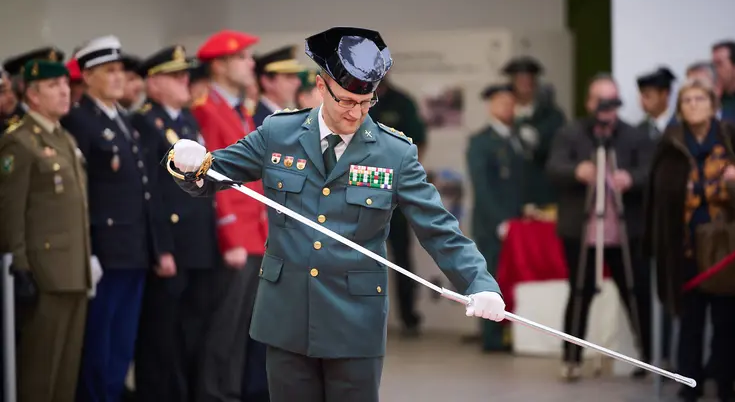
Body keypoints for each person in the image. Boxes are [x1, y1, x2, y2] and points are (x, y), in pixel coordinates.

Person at [168, 26, 505, 402]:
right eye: (345, 101)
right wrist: (186, 161)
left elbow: (439, 229)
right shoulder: (279, 133)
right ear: (320, 86)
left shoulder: (394, 153)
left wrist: (480, 284)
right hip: (287, 316)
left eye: (366, 102)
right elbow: (212, 174)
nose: (355, 113)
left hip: (354, 322)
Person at [645, 78, 735, 402]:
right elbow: (658, 193)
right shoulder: (671, 143)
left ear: (713, 105)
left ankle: (726, 385)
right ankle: (689, 383)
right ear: (680, 108)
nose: (694, 105)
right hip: (684, 245)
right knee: (689, 320)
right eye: (687, 100)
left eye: (700, 99)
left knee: (726, 321)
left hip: (725, 245)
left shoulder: (733, 139)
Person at [61, 35, 164, 402]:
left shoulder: (123, 120)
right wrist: (88, 250)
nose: (119, 77)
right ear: (87, 77)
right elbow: (81, 193)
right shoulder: (79, 121)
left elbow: (143, 191)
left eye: (121, 70)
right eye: (109, 71)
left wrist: (153, 246)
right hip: (105, 250)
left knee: (122, 340)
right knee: (99, 341)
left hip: (133, 248)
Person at [129, 45, 221, 402]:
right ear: (153, 84)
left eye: (185, 74)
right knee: (160, 338)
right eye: (175, 75)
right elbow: (151, 193)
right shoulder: (145, 123)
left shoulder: (186, 121)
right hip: (172, 245)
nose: (186, 80)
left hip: (197, 243)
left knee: (191, 333)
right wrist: (162, 248)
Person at [547, 74, 653, 380]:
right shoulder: (570, 133)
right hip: (581, 230)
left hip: (624, 231)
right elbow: (553, 167)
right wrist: (576, 170)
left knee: (636, 292)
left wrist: (631, 178)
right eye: (600, 100)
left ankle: (649, 357)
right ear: (588, 102)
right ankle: (571, 358)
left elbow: (650, 171)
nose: (606, 108)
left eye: (611, 101)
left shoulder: (634, 136)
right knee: (580, 292)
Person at [0, 59, 90, 402]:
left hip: (74, 271)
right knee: (39, 370)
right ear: (33, 95)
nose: (65, 91)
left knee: (66, 371)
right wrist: (20, 264)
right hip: (44, 272)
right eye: (54, 86)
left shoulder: (64, 138)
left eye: (66, 84)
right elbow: (11, 211)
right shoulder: (20, 141)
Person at [190, 29, 270, 402]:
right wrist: (231, 236)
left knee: (239, 329)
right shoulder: (207, 111)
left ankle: (229, 393)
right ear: (220, 66)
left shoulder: (238, 111)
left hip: (254, 233)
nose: (251, 64)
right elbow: (212, 180)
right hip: (235, 237)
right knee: (222, 328)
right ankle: (214, 395)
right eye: (242, 57)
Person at [467, 83, 526, 352]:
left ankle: (510, 334)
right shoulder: (481, 142)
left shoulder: (518, 138)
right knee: (490, 279)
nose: (507, 108)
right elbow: (482, 188)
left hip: (517, 223)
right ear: (491, 106)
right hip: (491, 224)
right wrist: (500, 221)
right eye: (502, 102)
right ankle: (491, 337)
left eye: (511, 103)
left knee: (513, 278)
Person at [367, 76, 428, 337]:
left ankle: (408, 317)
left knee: (402, 256)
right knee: (364, 257)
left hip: (394, 189)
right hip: (362, 187)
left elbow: (419, 142)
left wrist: (404, 174)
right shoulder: (356, 98)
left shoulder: (402, 102)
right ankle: (365, 317)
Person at [501, 56, 565, 210]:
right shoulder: (503, 115)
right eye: (519, 80)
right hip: (509, 195)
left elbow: (559, 152)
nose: (524, 85)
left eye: (528, 80)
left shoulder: (552, 116)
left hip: (543, 193)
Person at [1, 47, 65, 132]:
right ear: (22, 85)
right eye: (51, 85)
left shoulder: (61, 116)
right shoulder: (14, 127)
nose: (63, 90)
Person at [253, 45, 306, 127]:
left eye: (296, 76)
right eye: (289, 76)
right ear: (267, 81)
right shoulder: (259, 122)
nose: (297, 82)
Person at [636, 67, 677, 140]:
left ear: (664, 94)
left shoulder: (680, 125)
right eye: (641, 95)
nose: (642, 100)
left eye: (647, 96)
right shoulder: (639, 130)